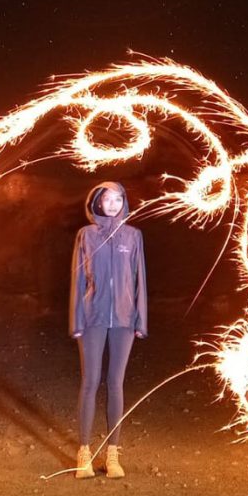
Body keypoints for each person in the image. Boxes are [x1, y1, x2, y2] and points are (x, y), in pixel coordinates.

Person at [70, 181, 147, 479]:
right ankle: (84, 453)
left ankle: (112, 455)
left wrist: (141, 320)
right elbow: (77, 280)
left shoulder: (133, 235)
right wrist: (76, 320)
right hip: (92, 317)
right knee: (90, 382)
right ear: (97, 202)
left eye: (118, 199)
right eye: (107, 199)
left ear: (123, 202)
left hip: (125, 320)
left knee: (116, 384)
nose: (113, 204)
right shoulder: (85, 235)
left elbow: (140, 278)